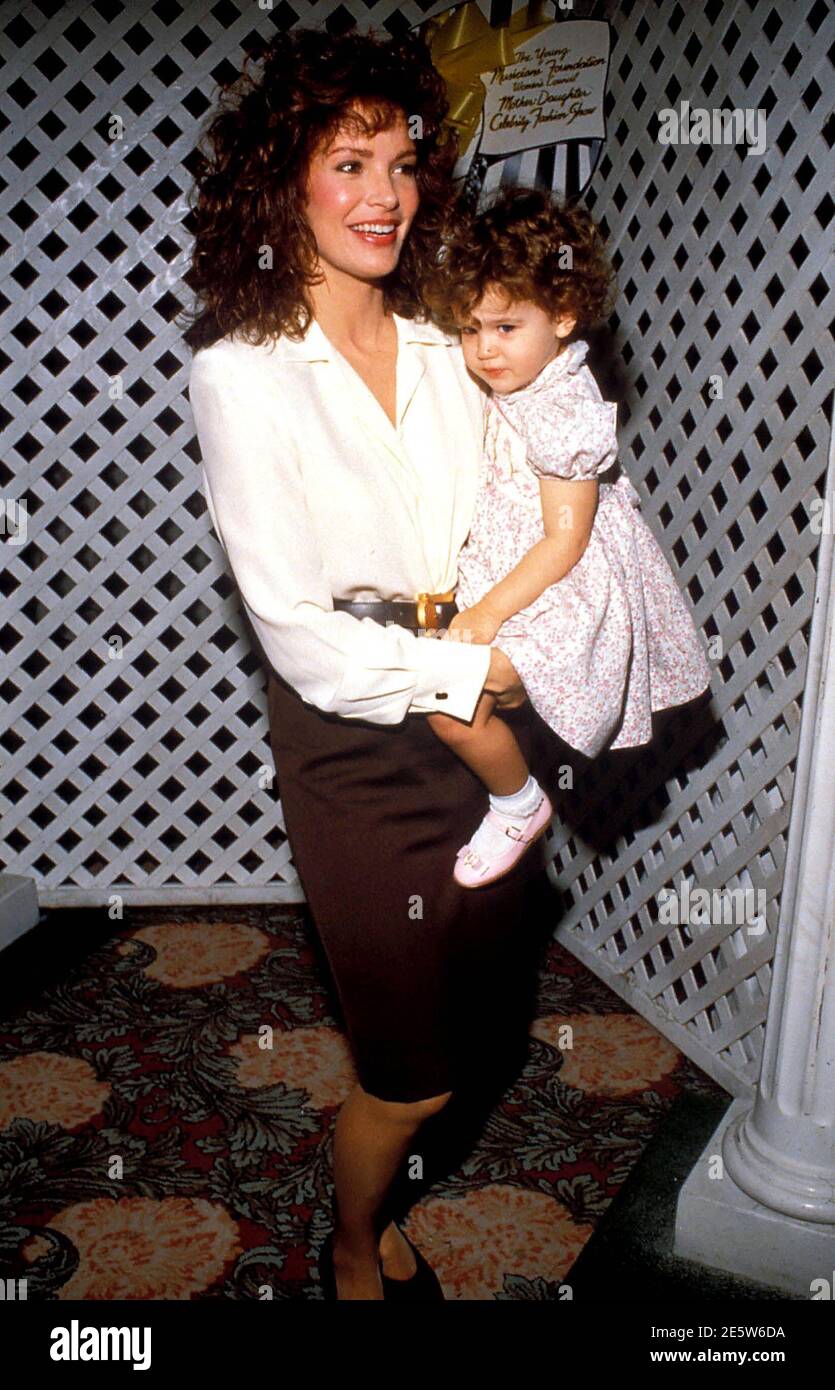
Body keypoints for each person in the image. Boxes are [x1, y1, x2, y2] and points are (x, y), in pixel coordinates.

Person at [183, 27, 552, 1300]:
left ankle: (387, 1194)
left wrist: (518, 648)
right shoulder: (239, 373)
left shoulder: (458, 339)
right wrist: (470, 678)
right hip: (356, 744)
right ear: (285, 181)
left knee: (479, 1010)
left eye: (402, 162)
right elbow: (293, 626)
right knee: (412, 1067)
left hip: (488, 717)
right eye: (350, 162)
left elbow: (522, 510)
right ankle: (349, 1245)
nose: (385, 194)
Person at [421, 188, 712, 889]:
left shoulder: (563, 408)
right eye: (469, 330)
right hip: (515, 572)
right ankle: (514, 796)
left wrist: (487, 611)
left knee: (448, 699)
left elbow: (564, 543)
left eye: (504, 327)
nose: (484, 349)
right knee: (448, 700)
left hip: (564, 590)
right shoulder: (512, 381)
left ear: (562, 315)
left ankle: (516, 804)